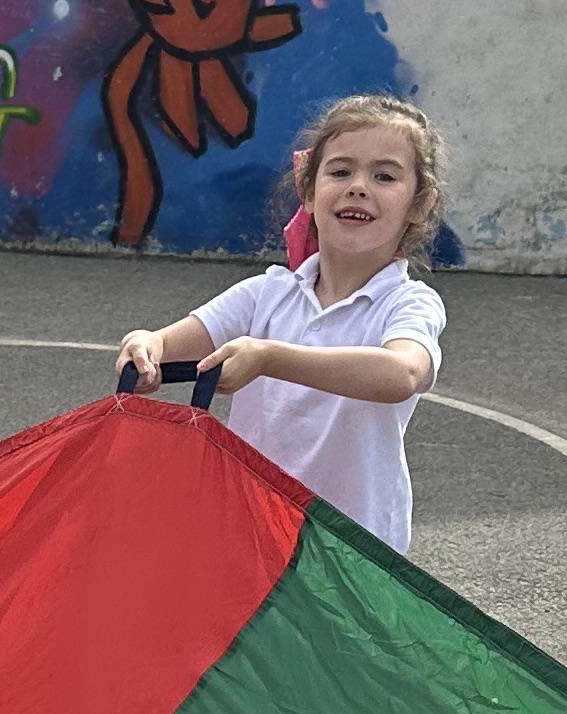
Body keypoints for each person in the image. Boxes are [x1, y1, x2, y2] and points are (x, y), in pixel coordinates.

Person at [114, 93, 448, 549]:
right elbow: (166, 344)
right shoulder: (265, 294)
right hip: (250, 530)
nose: (358, 186)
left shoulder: (408, 303)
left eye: (385, 176)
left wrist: (269, 358)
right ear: (308, 193)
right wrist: (144, 345)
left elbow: (401, 374)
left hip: (351, 549)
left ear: (420, 204)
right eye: (340, 171)